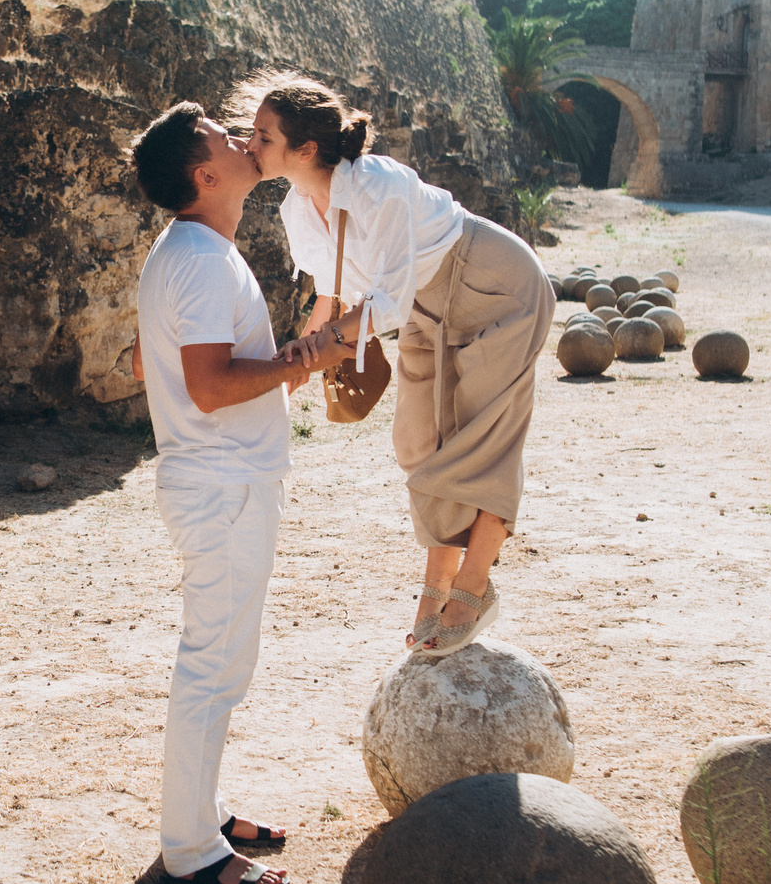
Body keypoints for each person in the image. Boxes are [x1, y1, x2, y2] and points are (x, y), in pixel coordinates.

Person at [234, 70, 554, 657]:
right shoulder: (298, 207)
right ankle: (435, 584)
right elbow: (328, 296)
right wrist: (295, 366)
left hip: (493, 284)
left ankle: (473, 586)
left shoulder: (377, 185)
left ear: (304, 150)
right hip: (426, 310)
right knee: (419, 442)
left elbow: (384, 302)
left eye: (262, 136)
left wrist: (322, 341)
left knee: (483, 439)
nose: (249, 146)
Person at [125, 102, 312, 884]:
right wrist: (303, 358)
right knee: (213, 667)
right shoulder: (199, 258)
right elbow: (204, 384)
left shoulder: (190, 251)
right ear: (206, 176)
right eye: (226, 140)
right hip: (223, 484)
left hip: (217, 479)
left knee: (221, 663)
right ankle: (191, 848)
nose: (244, 142)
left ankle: (202, 812)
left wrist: (280, 361)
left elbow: (148, 364)